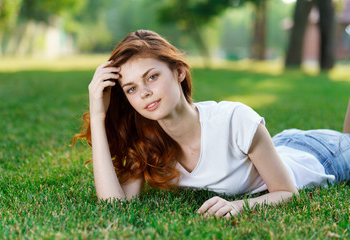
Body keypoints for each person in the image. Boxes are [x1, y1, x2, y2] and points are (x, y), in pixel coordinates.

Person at [73, 30, 350, 219]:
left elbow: (287, 192)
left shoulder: (233, 119)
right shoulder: (145, 141)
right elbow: (114, 206)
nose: (144, 92)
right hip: (278, 146)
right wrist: (98, 115)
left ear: (179, 72)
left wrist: (238, 206)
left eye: (152, 77)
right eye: (131, 89)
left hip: (321, 156)